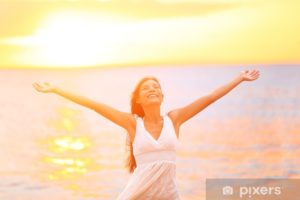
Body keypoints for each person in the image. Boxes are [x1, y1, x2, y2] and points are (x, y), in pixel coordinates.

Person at [32, 69, 260, 199]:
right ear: (139, 99)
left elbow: (210, 97)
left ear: (162, 96)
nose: (153, 89)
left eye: (156, 87)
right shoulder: (132, 123)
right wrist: (57, 89)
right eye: (146, 88)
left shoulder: (175, 119)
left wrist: (239, 79)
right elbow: (96, 105)